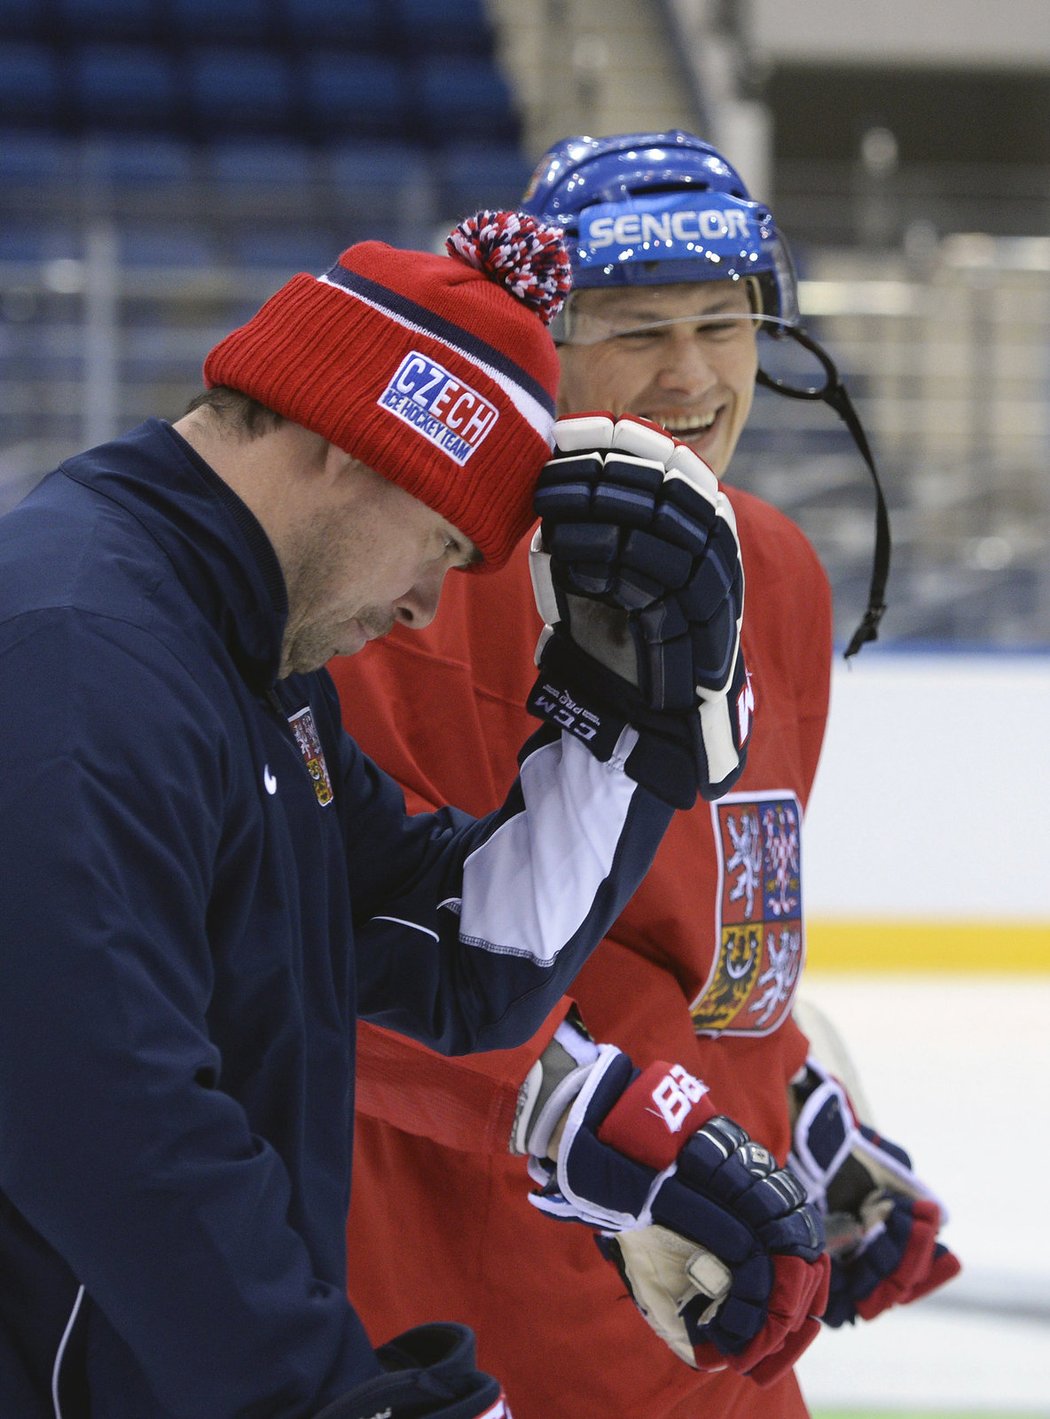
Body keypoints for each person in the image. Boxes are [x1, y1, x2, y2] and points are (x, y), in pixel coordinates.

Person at [0, 207, 810, 1419]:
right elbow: (109, 1124)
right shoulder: (82, 656)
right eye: (440, 539)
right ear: (349, 448)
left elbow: (463, 956)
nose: (430, 604)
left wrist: (623, 740)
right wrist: (331, 1397)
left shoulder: (240, 668)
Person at [333, 135, 961, 1418]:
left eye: (720, 324)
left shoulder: (773, 570)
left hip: (717, 1302)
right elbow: (343, 963)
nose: (692, 375)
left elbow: (724, 932)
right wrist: (604, 1122)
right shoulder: (416, 581)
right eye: (635, 328)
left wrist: (804, 1108)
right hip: (479, 1302)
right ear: (545, 342)